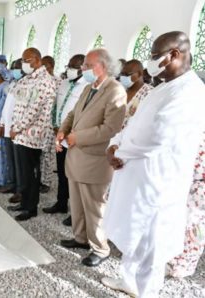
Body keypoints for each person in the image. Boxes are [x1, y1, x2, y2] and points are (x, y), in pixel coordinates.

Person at [101, 32, 205, 297]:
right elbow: (134, 124)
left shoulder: (190, 91)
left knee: (151, 244)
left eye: (156, 55)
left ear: (175, 55)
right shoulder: (163, 86)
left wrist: (120, 151)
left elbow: (159, 137)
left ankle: (147, 292)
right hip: (136, 174)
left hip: (159, 182)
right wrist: (115, 143)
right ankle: (128, 281)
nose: (151, 61)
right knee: (135, 238)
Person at [56, 48, 126, 267]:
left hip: (94, 159)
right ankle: (80, 238)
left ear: (103, 66)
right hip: (76, 156)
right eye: (84, 65)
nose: (83, 69)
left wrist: (77, 137)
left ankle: (100, 248)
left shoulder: (115, 91)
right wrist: (63, 130)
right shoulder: (88, 87)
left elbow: (110, 128)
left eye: (88, 65)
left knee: (94, 207)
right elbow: (73, 114)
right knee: (77, 203)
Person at [7, 48, 57, 221]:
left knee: (31, 174)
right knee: (23, 172)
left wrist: (17, 128)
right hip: (21, 134)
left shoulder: (44, 81)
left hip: (31, 136)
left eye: (25, 60)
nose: (23, 64)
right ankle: (24, 202)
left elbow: (33, 111)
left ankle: (31, 208)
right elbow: (17, 99)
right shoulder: (28, 79)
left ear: (36, 60)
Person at [42, 54, 88, 226]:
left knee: (74, 176)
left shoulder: (87, 87)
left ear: (83, 68)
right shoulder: (63, 83)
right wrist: (56, 126)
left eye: (74, 66)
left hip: (75, 138)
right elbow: (56, 106)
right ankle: (61, 203)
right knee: (62, 172)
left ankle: (77, 212)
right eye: (68, 65)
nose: (70, 69)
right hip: (60, 135)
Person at [167, 132, 205, 278]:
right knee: (191, 227)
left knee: (192, 227)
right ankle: (179, 263)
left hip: (196, 189)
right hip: (193, 186)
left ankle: (180, 264)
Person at [0, 59, 24, 199]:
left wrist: (16, 128)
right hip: (7, 128)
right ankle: (12, 183)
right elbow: (6, 106)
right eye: (13, 67)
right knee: (10, 159)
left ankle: (20, 190)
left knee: (19, 162)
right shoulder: (13, 84)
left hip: (17, 131)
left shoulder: (26, 85)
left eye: (17, 68)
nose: (14, 70)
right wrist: (2, 123)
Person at [40, 55, 61, 193]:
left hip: (50, 124)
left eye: (45, 66)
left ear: (51, 66)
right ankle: (37, 178)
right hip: (38, 124)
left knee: (47, 154)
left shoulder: (58, 82)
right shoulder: (40, 81)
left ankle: (46, 182)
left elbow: (58, 104)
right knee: (38, 153)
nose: (42, 68)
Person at [118, 59, 153, 126]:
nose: (123, 77)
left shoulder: (149, 93)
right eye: (122, 74)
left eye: (126, 74)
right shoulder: (121, 90)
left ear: (139, 74)